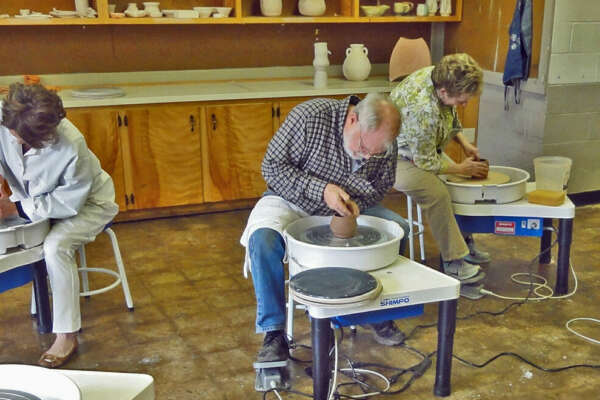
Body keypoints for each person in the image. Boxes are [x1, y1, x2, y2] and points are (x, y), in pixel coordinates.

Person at [240, 93, 411, 363]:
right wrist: (322, 190)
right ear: (353, 119)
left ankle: (376, 314)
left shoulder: (382, 142)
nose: (367, 157)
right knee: (263, 240)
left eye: (374, 153)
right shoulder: (310, 117)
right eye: (364, 148)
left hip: (346, 206)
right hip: (291, 200)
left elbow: (381, 185)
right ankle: (273, 332)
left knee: (398, 228)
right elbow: (271, 167)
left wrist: (353, 202)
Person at [0, 83, 118, 368]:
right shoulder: (6, 118)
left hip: (86, 204)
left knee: (55, 247)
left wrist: (14, 208)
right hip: (31, 200)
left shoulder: (69, 143)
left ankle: (66, 336)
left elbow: (67, 203)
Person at [390, 53, 490, 281]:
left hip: (423, 149)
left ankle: (463, 241)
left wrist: (464, 144)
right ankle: (454, 261)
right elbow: (425, 162)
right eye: (462, 100)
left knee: (458, 184)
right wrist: (462, 169)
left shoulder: (441, 77)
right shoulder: (422, 108)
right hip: (393, 157)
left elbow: (449, 115)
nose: (465, 104)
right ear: (444, 92)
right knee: (438, 194)